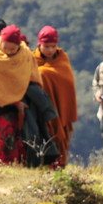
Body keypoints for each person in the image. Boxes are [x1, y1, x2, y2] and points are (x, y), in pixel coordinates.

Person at [0, 25, 43, 165]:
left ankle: (8, 173)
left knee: (13, 142)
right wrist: (15, 102)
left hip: (16, 105)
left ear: (18, 46)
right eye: (5, 47)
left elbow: (31, 76)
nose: (8, 52)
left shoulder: (25, 55)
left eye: (12, 49)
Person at [32, 25, 78, 167]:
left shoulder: (62, 60)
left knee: (59, 141)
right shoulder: (32, 60)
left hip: (59, 111)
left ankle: (58, 167)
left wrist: (44, 74)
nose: (50, 50)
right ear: (39, 44)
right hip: (39, 110)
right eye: (46, 46)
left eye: (53, 46)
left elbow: (67, 84)